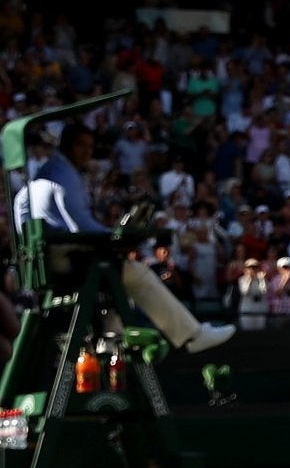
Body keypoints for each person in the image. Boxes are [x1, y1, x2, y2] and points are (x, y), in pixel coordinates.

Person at [12, 124, 235, 355]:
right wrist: (117, 237)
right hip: (66, 262)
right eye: (81, 146)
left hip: (49, 263)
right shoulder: (64, 175)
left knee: (114, 279)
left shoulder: (46, 172)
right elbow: (81, 227)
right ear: (67, 145)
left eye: (91, 146)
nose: (88, 152)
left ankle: (111, 346)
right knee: (134, 272)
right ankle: (192, 335)